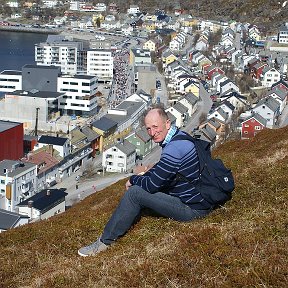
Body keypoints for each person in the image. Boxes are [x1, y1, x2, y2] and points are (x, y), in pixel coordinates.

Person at [78, 105, 213, 257]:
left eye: (155, 127)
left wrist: (134, 179)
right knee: (147, 180)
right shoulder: (181, 138)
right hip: (201, 198)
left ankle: (104, 242)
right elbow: (162, 170)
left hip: (194, 209)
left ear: (167, 123)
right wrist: (145, 175)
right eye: (148, 128)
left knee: (135, 193)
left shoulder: (173, 149)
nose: (152, 133)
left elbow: (153, 184)